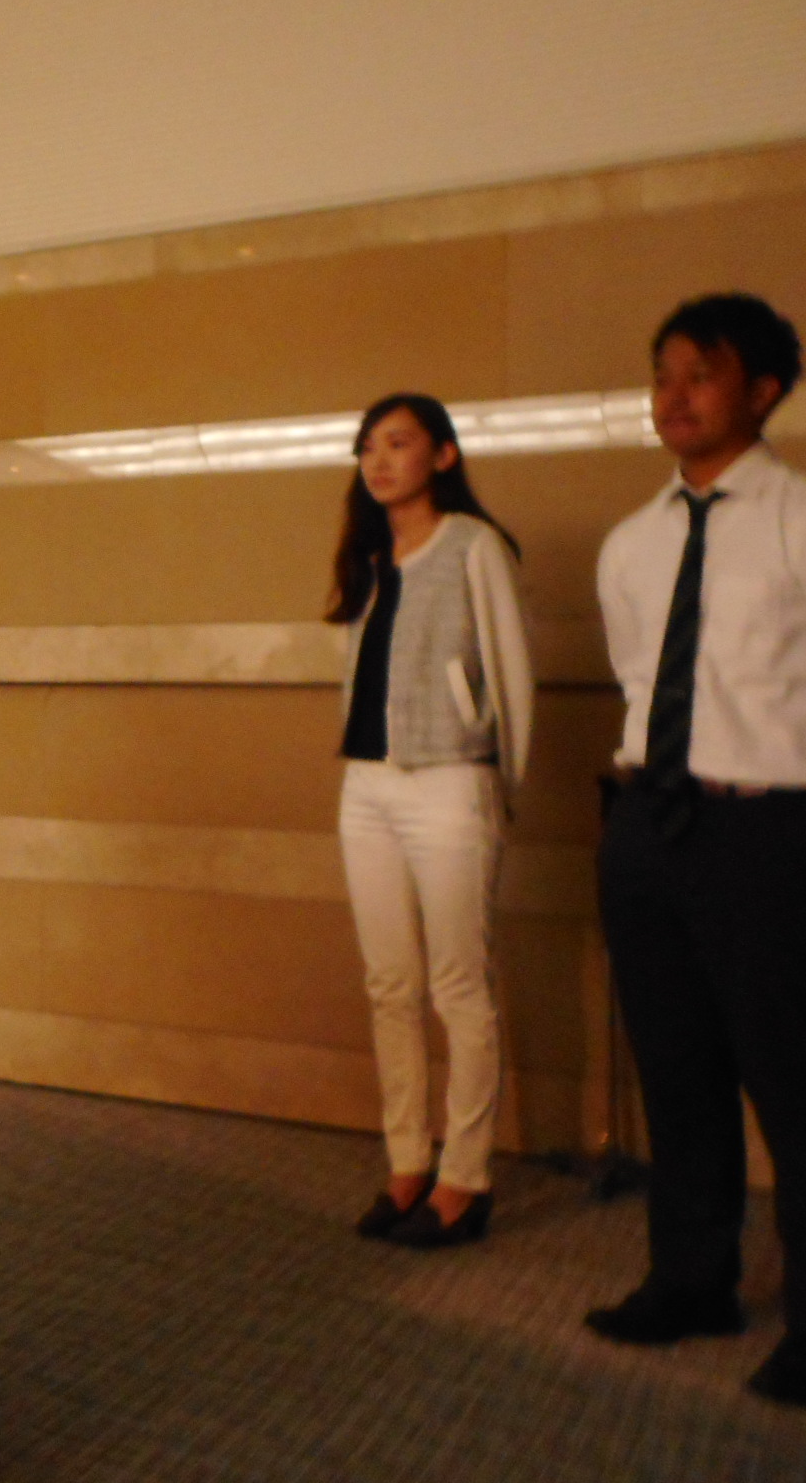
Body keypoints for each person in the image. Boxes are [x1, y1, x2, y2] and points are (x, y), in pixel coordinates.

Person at [585, 294, 806, 1406]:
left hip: (774, 830)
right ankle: (691, 1280)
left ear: (762, 392)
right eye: (662, 374)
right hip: (647, 825)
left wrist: (784, 787)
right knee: (675, 1071)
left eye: (701, 374)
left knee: (799, 1082)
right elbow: (643, 682)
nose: (673, 396)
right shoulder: (632, 543)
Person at [330, 394, 533, 1250]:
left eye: (399, 443)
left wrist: (495, 786)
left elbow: (512, 675)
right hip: (367, 786)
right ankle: (408, 1161)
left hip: (451, 781)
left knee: (459, 987)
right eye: (368, 447)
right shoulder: (371, 556)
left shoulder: (473, 545)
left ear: (443, 456)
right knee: (390, 985)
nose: (379, 461)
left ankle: (466, 1178)